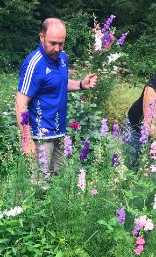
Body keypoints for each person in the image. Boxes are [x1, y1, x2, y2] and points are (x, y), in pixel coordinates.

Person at [15, 18, 97, 186]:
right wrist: (26, 139)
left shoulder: (62, 57)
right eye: (53, 43)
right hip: (40, 136)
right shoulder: (34, 64)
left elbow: (60, 83)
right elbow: (20, 102)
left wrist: (81, 84)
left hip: (59, 131)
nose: (57, 49)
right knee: (39, 184)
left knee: (56, 182)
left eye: (61, 43)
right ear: (41, 37)